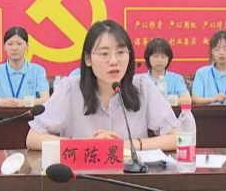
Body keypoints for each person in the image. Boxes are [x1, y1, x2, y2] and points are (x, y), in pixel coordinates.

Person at [27, 20, 179, 151]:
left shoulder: (142, 87)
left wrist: (126, 145)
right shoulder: (70, 89)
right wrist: (86, 145)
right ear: (88, 59)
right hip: (82, 174)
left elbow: (178, 137)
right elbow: (33, 138)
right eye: (104, 54)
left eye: (121, 52)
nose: (114, 61)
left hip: (130, 173)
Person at [0, 27, 50, 108]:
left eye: (19, 44)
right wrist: (0, 102)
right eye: (10, 44)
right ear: (4, 47)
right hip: (3, 115)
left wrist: (24, 102)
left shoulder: (38, 71)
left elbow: (46, 100)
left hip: (30, 115)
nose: (14, 48)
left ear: (27, 45)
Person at [144, 38, 191, 105]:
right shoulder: (141, 80)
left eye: (163, 56)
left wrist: (163, 101)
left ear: (169, 58)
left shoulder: (176, 79)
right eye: (155, 56)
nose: (159, 60)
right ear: (148, 57)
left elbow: (187, 100)